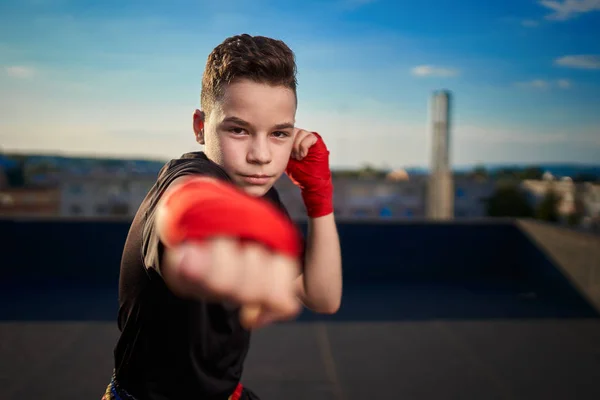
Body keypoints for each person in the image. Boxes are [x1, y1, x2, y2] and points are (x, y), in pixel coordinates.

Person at [102, 34, 343, 400]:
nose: (261, 155)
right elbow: (186, 200)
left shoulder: (263, 194)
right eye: (238, 130)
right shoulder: (188, 177)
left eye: (279, 133)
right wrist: (199, 221)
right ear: (200, 126)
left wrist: (319, 198)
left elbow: (323, 297)